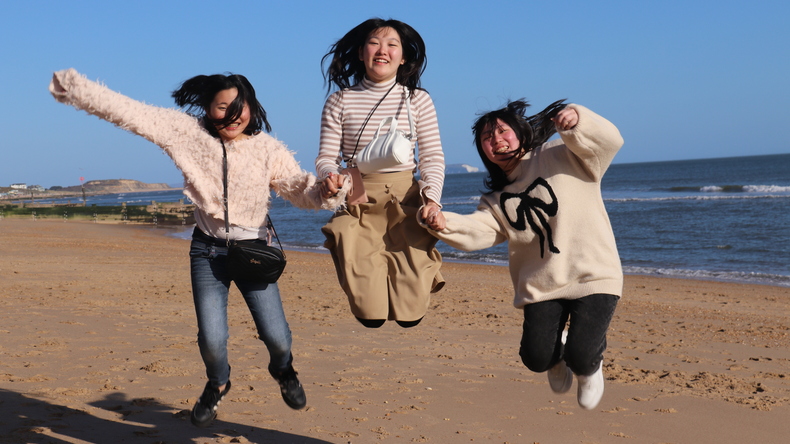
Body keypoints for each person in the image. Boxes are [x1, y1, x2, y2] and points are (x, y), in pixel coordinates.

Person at [49, 69, 347, 427]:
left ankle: (283, 370)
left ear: (252, 108)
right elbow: (132, 113)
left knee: (278, 337)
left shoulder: (268, 149)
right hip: (208, 253)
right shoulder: (187, 134)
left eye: (240, 107)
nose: (233, 115)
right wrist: (76, 88)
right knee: (212, 340)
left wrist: (327, 191)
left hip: (253, 252)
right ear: (207, 108)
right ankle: (218, 383)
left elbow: (300, 189)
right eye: (223, 107)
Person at [421, 100, 624, 410]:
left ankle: (589, 368)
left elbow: (610, 141)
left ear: (521, 132)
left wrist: (578, 118)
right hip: (543, 285)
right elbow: (479, 231)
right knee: (536, 358)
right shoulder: (497, 198)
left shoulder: (565, 153)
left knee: (583, 355)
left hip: (594, 273)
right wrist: (442, 222)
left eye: (503, 131)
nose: (496, 140)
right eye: (487, 137)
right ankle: (558, 354)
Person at [316, 18, 447, 329]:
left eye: (392, 45)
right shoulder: (339, 100)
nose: (382, 51)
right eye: (374, 43)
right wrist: (330, 178)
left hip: (405, 203)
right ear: (361, 53)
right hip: (358, 199)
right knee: (370, 315)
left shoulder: (417, 99)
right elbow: (326, 158)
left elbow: (432, 158)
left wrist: (432, 201)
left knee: (410, 315)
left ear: (403, 57)